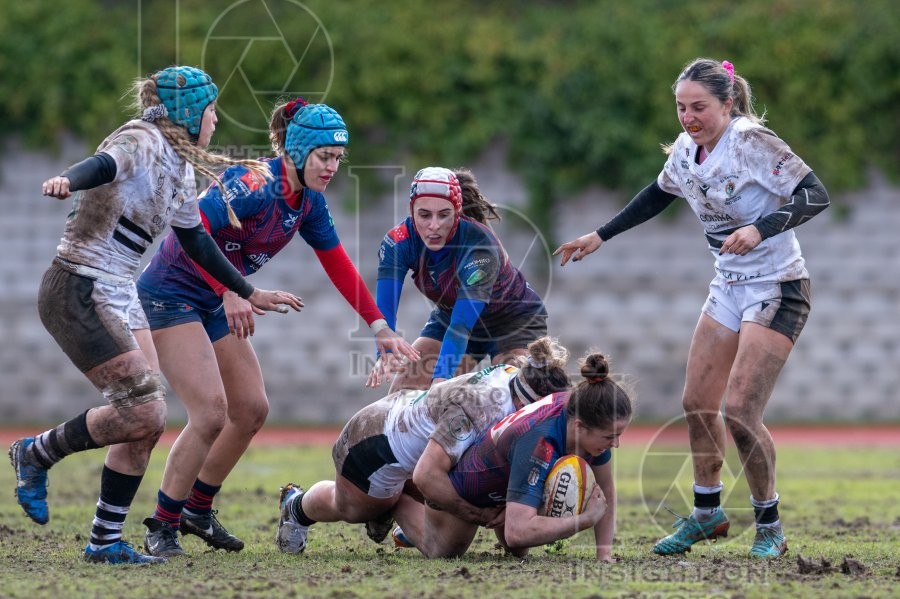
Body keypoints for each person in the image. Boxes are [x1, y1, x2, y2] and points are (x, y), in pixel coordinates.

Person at [8, 66, 302, 565]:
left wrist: (247, 291)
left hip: (121, 291)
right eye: (211, 110)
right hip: (80, 285)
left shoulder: (180, 166)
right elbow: (102, 164)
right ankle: (36, 453)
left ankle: (104, 541)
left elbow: (198, 242)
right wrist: (66, 180)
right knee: (144, 411)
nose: (216, 119)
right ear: (189, 113)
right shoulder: (141, 139)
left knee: (144, 421)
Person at [554, 58, 830, 559]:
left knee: (741, 411)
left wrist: (760, 229)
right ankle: (707, 514)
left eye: (699, 107)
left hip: (779, 285)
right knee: (696, 402)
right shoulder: (685, 150)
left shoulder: (751, 142)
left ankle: (769, 526)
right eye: (681, 107)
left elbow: (816, 194)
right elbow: (657, 195)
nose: (688, 117)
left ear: (728, 103)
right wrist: (600, 235)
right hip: (728, 286)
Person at [135, 97, 420, 557]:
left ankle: (196, 510)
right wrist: (232, 291)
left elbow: (339, 265)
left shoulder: (308, 202)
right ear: (299, 150)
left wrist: (379, 326)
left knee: (250, 409)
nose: (332, 167)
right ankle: (162, 524)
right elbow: (192, 231)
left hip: (218, 297)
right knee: (210, 413)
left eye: (338, 158)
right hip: (171, 294)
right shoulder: (254, 183)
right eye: (325, 156)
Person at [275, 337, 572, 555]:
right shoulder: (480, 408)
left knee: (448, 529)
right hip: (372, 442)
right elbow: (427, 475)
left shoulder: (516, 380)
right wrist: (477, 514)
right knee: (352, 509)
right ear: (528, 404)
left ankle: (399, 502)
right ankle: (296, 506)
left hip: (412, 433)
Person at [391, 352, 632, 562]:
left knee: (519, 551)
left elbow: (606, 490)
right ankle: (398, 501)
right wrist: (584, 520)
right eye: (610, 437)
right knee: (444, 551)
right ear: (579, 427)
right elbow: (516, 533)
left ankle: (501, 507)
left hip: (508, 480)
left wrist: (604, 554)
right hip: (466, 489)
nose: (616, 444)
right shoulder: (539, 441)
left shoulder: (584, 409)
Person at [367, 166, 548, 391]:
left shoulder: (479, 246)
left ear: (457, 212)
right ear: (411, 211)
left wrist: (441, 378)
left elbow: (461, 326)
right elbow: (386, 308)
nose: (434, 226)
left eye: (444, 215)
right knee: (404, 390)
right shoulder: (398, 242)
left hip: (512, 319)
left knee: (510, 391)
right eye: (424, 215)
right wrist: (385, 353)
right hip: (450, 315)